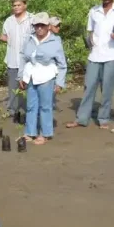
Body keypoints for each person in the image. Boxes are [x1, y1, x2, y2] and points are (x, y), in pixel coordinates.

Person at [66, 0, 114, 131]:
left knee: (107, 88)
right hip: (95, 54)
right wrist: (91, 42)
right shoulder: (94, 11)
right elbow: (90, 31)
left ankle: (103, 118)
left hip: (112, 54)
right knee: (89, 86)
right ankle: (82, 118)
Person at [17, 13, 67, 145]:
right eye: (37, 25)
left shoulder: (55, 41)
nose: (39, 28)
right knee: (30, 106)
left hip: (47, 77)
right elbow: (23, 57)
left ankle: (45, 134)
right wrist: (20, 76)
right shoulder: (29, 39)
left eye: (42, 25)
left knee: (45, 107)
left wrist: (59, 82)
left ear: (48, 26)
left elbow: (62, 64)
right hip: (31, 75)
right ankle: (30, 132)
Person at [0, 0, 34, 117]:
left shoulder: (32, 19)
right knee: (13, 88)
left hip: (29, 61)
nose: (16, 7)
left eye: (19, 5)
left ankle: (31, 111)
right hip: (12, 60)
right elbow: (6, 38)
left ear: (25, 5)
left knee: (31, 88)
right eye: (14, 5)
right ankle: (13, 111)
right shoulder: (9, 21)